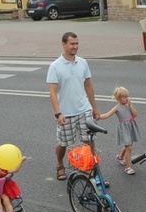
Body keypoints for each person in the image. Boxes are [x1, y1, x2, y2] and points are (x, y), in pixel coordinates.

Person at [47, 32, 100, 181]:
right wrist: (58, 113)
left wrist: (94, 108)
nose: (75, 46)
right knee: (63, 143)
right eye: (72, 44)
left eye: (77, 43)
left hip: (84, 109)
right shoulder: (55, 66)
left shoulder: (83, 62)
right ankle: (59, 164)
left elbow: (88, 86)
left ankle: (94, 173)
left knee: (90, 141)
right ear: (63, 44)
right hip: (66, 113)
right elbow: (52, 92)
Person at [98, 86, 140, 175]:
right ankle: (128, 167)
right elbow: (107, 115)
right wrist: (99, 116)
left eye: (127, 96)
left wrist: (131, 106)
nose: (127, 99)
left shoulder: (128, 105)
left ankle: (121, 157)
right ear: (118, 98)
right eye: (124, 97)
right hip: (124, 128)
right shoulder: (117, 108)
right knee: (129, 147)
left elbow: (135, 114)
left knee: (129, 144)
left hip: (131, 126)